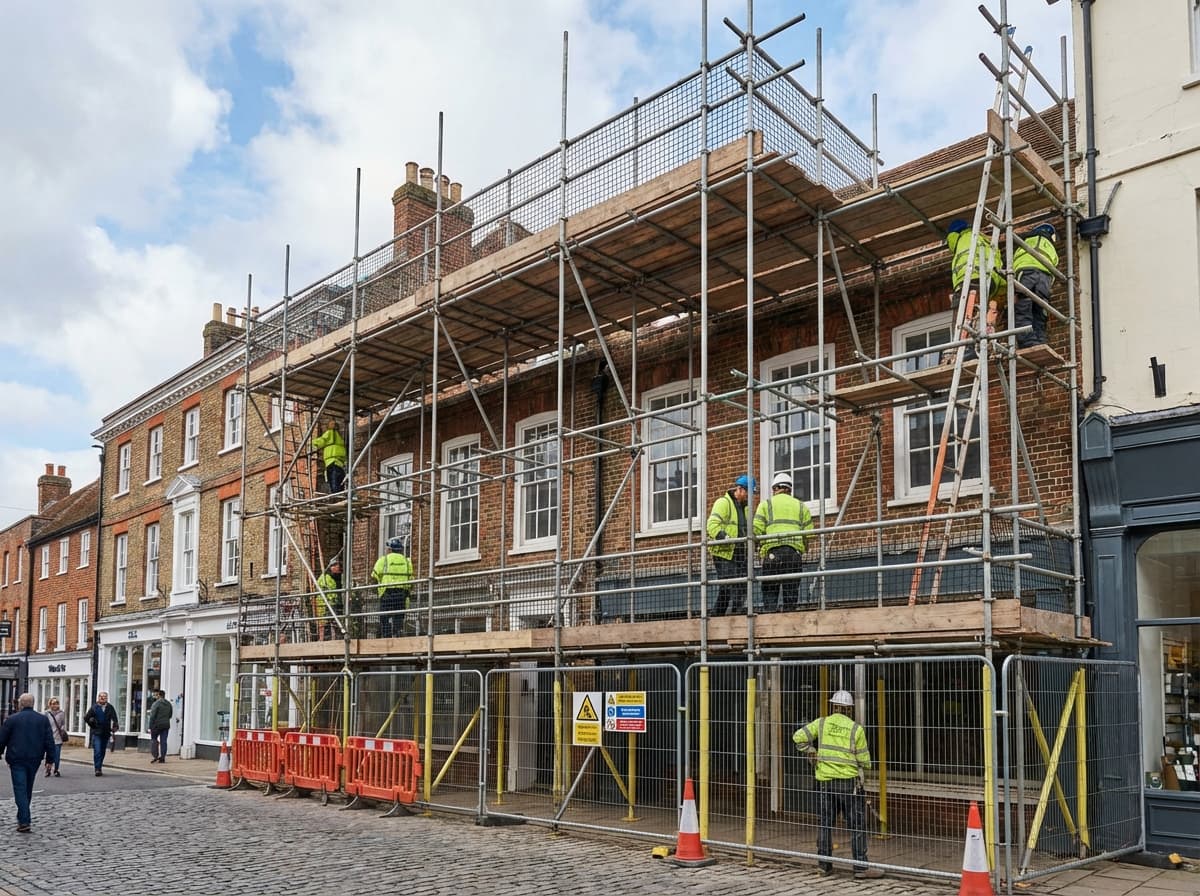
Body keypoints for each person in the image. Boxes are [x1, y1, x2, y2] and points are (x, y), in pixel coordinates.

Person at [792, 690, 885, 880]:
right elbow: (865, 761)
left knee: (825, 824)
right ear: (849, 710)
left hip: (825, 783)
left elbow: (798, 737)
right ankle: (860, 867)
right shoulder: (855, 729)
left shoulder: (822, 723)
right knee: (857, 826)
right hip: (849, 785)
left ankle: (824, 866)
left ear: (833, 706)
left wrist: (811, 752)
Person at [753, 471, 813, 612]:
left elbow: (756, 530)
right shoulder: (801, 506)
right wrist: (803, 549)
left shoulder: (765, 505)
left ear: (774, 489)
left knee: (770, 591)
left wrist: (758, 549)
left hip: (772, 554)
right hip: (794, 555)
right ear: (790, 489)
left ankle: (770, 620)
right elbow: (809, 534)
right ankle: (790, 621)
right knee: (791, 592)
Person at [946, 219, 1002, 361]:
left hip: (968, 280)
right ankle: (979, 346)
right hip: (986, 281)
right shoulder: (985, 241)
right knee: (979, 314)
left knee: (964, 316)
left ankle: (967, 349)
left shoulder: (962, 239)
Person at [0, 693, 54, 832]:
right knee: (27, 787)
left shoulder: (12, 719)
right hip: (34, 758)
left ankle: (24, 820)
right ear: (33, 703)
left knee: (20, 788)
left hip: (16, 758)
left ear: (20, 704)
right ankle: (23, 816)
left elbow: (2, 738)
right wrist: (50, 759)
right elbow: (49, 740)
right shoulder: (42, 720)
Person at [707, 474, 755, 616]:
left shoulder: (745, 508)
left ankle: (718, 614)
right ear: (740, 489)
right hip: (724, 552)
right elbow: (711, 525)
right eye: (748, 493)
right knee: (732, 583)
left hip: (740, 552)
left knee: (732, 585)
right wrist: (725, 538)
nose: (750, 497)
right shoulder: (724, 503)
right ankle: (737, 612)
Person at [1011, 222, 1058, 348]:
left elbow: (1015, 263)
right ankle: (1040, 340)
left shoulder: (1026, 242)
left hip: (1026, 274)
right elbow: (1054, 268)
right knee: (1040, 311)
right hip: (1044, 279)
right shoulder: (1050, 247)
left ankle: (1027, 341)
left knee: (1023, 307)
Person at [372, 538, 413, 638]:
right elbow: (411, 579)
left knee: (384, 616)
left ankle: (386, 636)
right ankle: (397, 634)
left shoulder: (384, 560)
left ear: (389, 549)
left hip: (387, 593)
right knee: (398, 616)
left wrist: (376, 590)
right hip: (401, 593)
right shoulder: (407, 561)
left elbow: (374, 576)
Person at [84, 691, 120, 776]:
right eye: (101, 697)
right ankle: (97, 769)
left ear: (107, 698)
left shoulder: (110, 707)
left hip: (106, 732)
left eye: (105, 697)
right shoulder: (94, 707)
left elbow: (115, 718)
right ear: (98, 698)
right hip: (96, 732)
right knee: (97, 750)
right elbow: (86, 718)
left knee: (102, 751)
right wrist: (92, 723)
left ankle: (99, 766)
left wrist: (115, 726)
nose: (103, 698)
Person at [312, 418, 347, 492]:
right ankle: (340, 496)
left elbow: (322, 441)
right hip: (339, 463)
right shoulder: (339, 437)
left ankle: (336, 496)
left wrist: (313, 441)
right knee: (340, 482)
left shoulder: (330, 433)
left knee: (333, 482)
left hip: (331, 461)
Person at [315, 559, 344, 640]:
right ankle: (327, 639)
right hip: (326, 603)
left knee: (334, 623)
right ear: (332, 567)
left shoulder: (337, 577)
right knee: (328, 623)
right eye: (338, 567)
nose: (339, 569)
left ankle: (336, 639)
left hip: (334, 603)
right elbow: (327, 591)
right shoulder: (326, 577)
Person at [43, 697, 67, 777]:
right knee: (49, 755)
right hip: (48, 738)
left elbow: (63, 723)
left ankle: (56, 769)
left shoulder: (61, 713)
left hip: (58, 737)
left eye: (57, 703)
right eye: (53, 703)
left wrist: (63, 729)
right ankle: (48, 769)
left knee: (57, 755)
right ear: (50, 705)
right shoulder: (46, 713)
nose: (55, 705)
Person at [147, 689, 173, 764]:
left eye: (156, 695)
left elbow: (152, 716)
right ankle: (163, 758)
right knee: (163, 742)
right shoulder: (169, 704)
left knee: (154, 740)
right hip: (166, 725)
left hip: (156, 725)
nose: (156, 696)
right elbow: (170, 715)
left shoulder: (156, 704)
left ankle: (155, 756)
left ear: (159, 695)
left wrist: (150, 726)